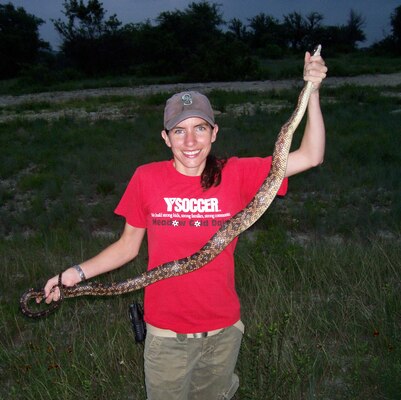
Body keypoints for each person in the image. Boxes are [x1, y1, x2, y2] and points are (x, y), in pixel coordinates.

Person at [42, 51, 327, 400]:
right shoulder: (146, 179)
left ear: (214, 132)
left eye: (199, 129)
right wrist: (74, 275)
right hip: (166, 335)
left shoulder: (236, 173)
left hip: (223, 329)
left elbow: (311, 155)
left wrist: (311, 91)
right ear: (166, 138)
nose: (190, 142)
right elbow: (127, 247)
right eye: (179, 131)